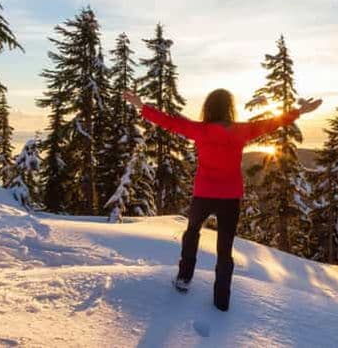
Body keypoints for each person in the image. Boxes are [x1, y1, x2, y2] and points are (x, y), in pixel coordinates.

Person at [123, 88, 321, 311]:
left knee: (192, 234)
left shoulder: (200, 130)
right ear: (229, 108)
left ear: (208, 107)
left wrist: (141, 106)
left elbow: (168, 122)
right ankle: (221, 299)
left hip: (204, 194)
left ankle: (184, 278)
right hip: (230, 197)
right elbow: (272, 123)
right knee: (225, 250)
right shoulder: (241, 131)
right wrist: (300, 111)